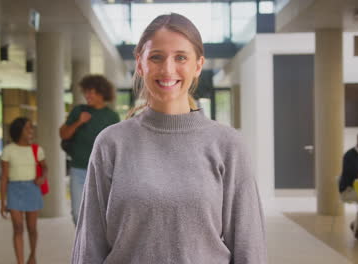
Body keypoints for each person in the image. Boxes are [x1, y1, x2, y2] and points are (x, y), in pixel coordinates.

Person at [72, 13, 267, 263]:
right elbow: (90, 242)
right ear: (140, 63)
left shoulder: (228, 145)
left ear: (198, 66)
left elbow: (249, 244)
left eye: (181, 57)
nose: (167, 69)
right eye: (156, 57)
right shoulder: (111, 143)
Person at [59, 74, 120, 224]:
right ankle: (84, 245)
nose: (87, 95)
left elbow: (115, 145)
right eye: (86, 92)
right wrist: (79, 122)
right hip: (78, 169)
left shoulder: (111, 116)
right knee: (77, 213)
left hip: (102, 171)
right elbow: (64, 134)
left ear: (102, 92)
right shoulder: (79, 111)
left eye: (91, 92)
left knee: (101, 215)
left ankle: (95, 246)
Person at [0, 117, 47, 264]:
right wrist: (2, 202)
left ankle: (32, 256)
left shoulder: (36, 149)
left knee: (32, 228)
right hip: (14, 190)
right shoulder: (8, 150)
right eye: (27, 128)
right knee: (18, 227)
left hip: (32, 189)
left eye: (31, 128)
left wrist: (42, 178)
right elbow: (4, 177)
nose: (31, 131)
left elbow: (45, 167)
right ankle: (20, 262)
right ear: (19, 130)